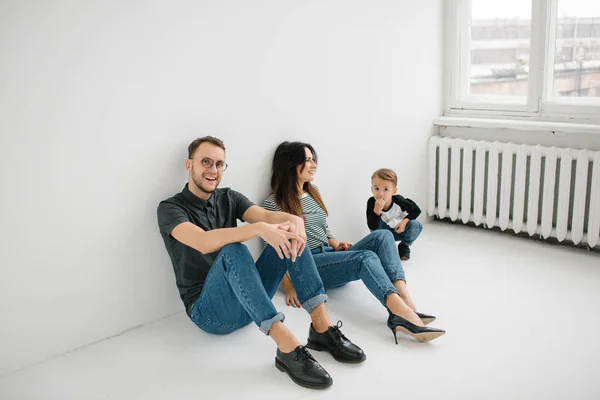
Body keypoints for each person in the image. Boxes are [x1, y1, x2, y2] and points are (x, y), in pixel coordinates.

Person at [157, 136, 365, 390]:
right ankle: (287, 348)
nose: (213, 170)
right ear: (190, 165)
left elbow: (266, 215)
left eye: (219, 164)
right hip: (210, 313)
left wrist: (294, 221)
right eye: (206, 162)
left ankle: (322, 328)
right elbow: (202, 241)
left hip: (251, 301)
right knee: (234, 249)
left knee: (288, 235)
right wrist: (259, 229)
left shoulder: (229, 197)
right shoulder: (170, 208)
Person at [262, 141, 445, 344]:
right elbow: (273, 249)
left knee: (383, 236)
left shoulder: (313, 193)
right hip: (309, 265)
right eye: (307, 160)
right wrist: (289, 286)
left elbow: (324, 229)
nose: (314, 164)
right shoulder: (273, 204)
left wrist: (336, 244)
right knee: (364, 258)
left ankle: (407, 302)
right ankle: (401, 314)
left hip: (329, 254)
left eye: (314, 160)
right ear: (290, 164)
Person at [367, 168, 423, 261]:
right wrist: (376, 211)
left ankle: (404, 246)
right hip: (382, 233)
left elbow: (416, 210)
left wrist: (404, 222)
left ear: (394, 191)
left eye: (386, 189)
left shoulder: (399, 200)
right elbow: (372, 226)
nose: (380, 193)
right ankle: (382, 247)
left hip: (398, 230)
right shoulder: (372, 202)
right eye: (377, 188)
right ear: (372, 189)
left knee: (415, 225)